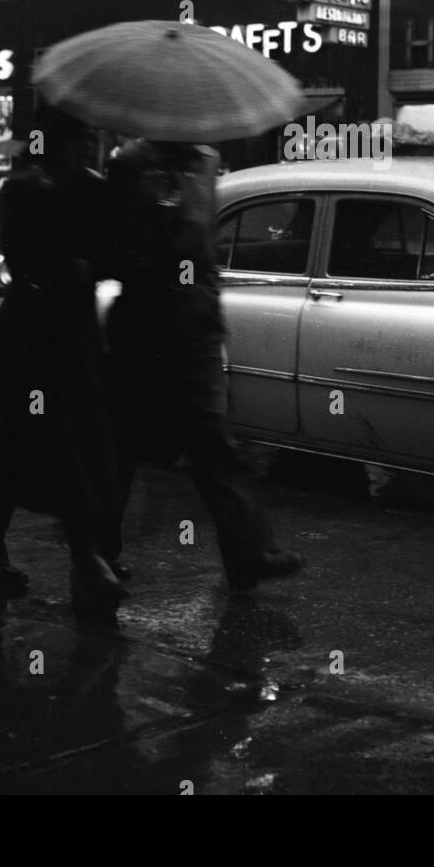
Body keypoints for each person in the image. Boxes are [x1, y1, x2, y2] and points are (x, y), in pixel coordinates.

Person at [105, 139, 305, 595]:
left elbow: (204, 250)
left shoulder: (206, 162)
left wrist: (209, 311)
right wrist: (157, 220)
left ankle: (248, 556)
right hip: (144, 330)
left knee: (214, 445)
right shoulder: (130, 166)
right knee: (122, 448)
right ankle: (99, 556)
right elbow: (115, 246)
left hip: (196, 330)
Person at [0, 108, 130, 615]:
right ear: (55, 143)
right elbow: (19, 254)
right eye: (80, 139)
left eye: (92, 139)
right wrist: (65, 262)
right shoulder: (27, 188)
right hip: (31, 334)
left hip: (73, 334)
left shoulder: (95, 189)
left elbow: (111, 253)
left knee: (72, 447)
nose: (87, 148)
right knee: (16, 446)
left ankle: (88, 556)